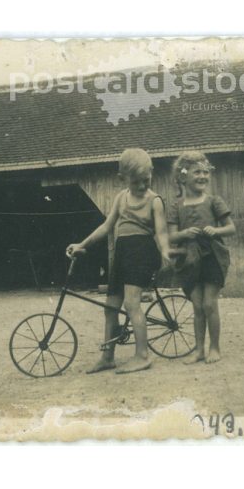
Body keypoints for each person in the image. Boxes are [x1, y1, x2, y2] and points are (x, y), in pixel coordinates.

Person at [66, 148, 171, 374]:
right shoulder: (121, 198)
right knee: (110, 306)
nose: (143, 186)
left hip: (143, 252)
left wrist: (165, 251)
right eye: (136, 182)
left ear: (151, 173)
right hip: (122, 253)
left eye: (146, 180)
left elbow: (161, 233)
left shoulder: (155, 201)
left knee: (132, 303)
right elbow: (106, 227)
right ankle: (108, 357)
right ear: (122, 179)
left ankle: (142, 355)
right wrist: (82, 244)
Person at [168, 151, 236, 364]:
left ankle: (214, 348)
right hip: (189, 260)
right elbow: (171, 236)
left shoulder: (214, 201)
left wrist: (215, 231)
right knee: (197, 306)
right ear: (183, 176)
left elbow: (231, 228)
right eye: (197, 172)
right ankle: (199, 350)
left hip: (212, 257)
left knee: (209, 304)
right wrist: (184, 234)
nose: (203, 176)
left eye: (206, 172)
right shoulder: (175, 206)